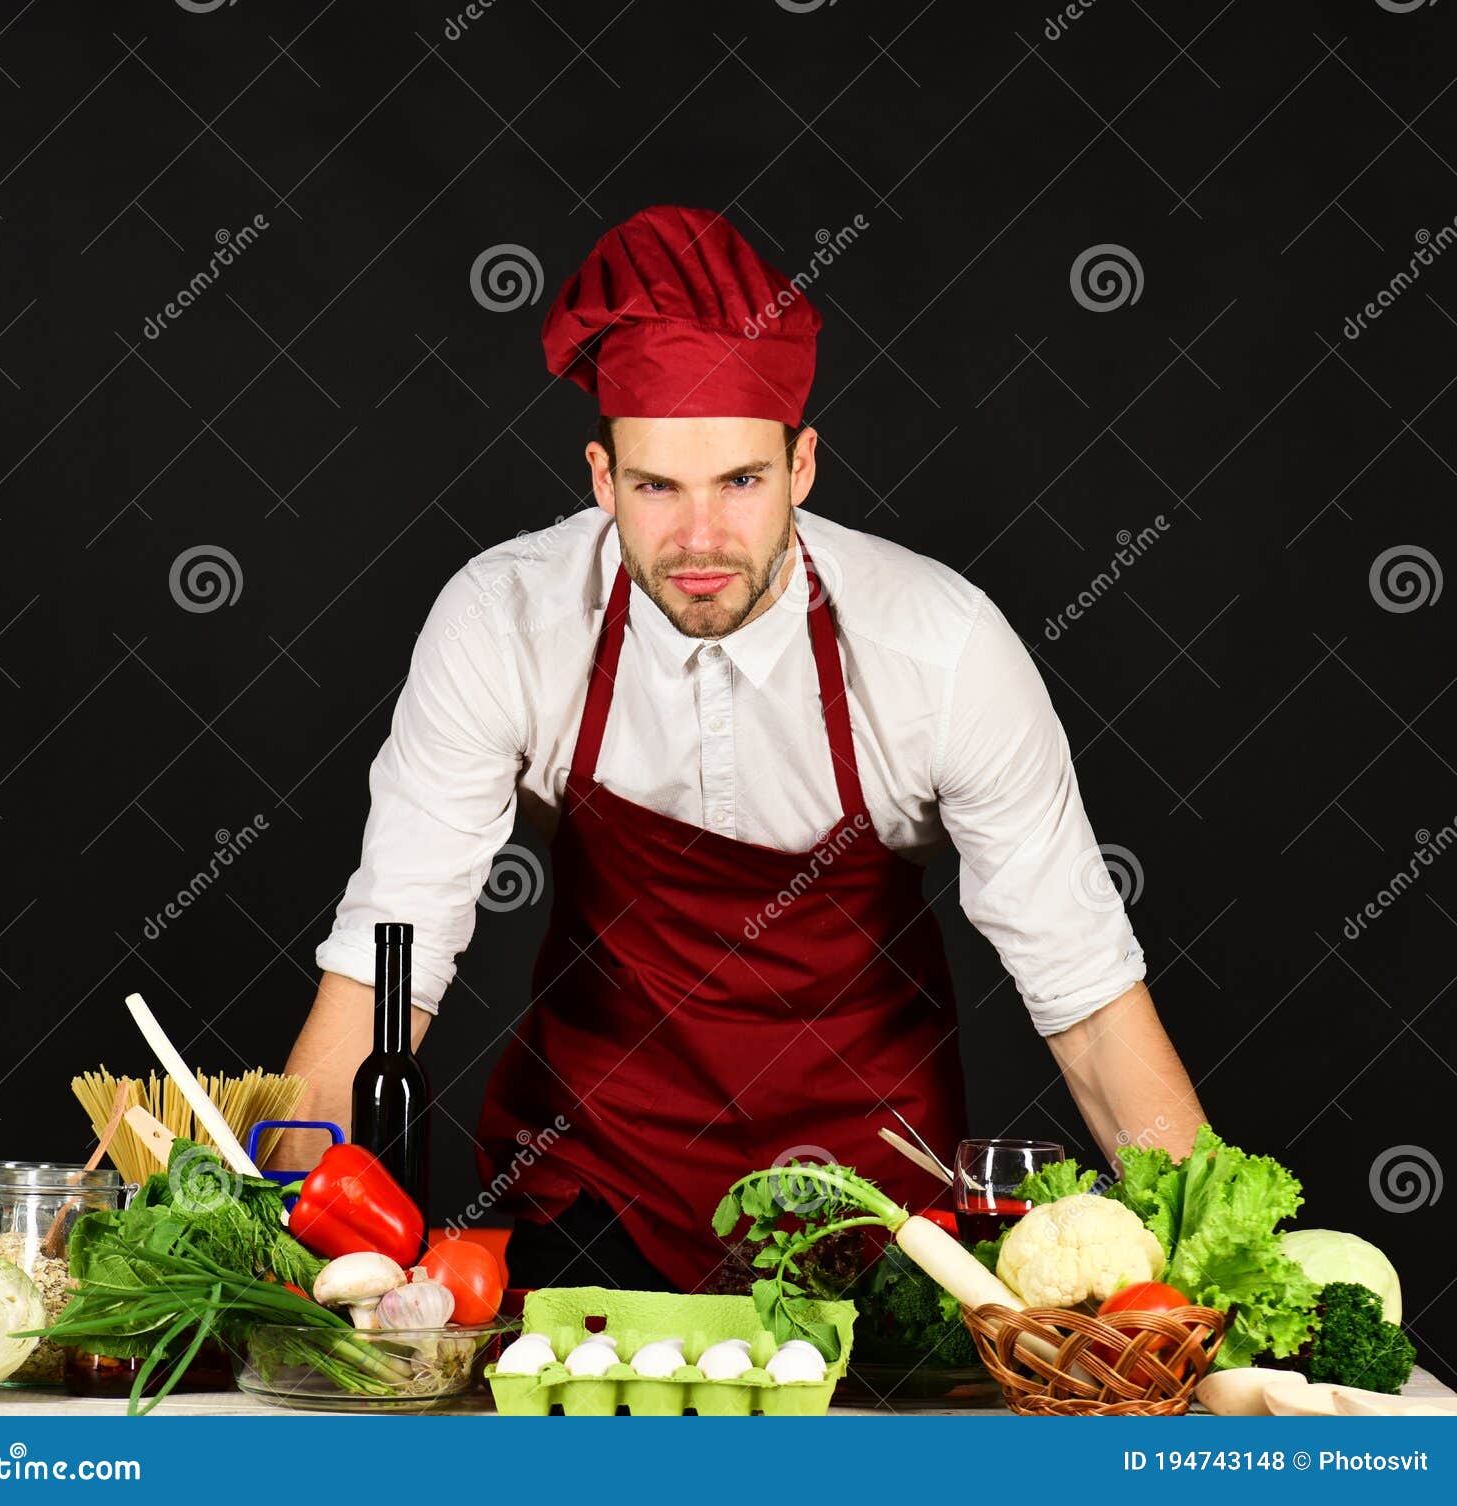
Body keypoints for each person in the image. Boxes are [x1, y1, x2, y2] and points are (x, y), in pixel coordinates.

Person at [280, 205, 1206, 1292]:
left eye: (740, 481)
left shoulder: (941, 646)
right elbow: (392, 944)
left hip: (875, 1212)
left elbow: (1087, 1003)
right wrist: (272, 1232)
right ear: (598, 477)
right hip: (591, 1197)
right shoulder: (502, 620)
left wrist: (1216, 1265)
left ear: (802, 465)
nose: (701, 539)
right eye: (656, 487)